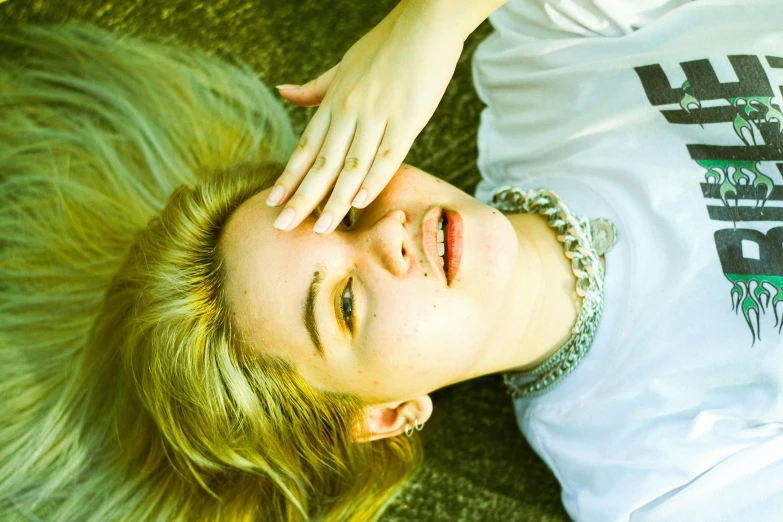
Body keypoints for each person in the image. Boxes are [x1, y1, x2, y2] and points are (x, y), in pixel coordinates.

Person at [1, 0, 782, 521]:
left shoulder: (545, 72)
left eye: (343, 206)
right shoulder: (651, 477)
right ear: (382, 417)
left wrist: (427, 26)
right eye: (343, 303)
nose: (387, 239)